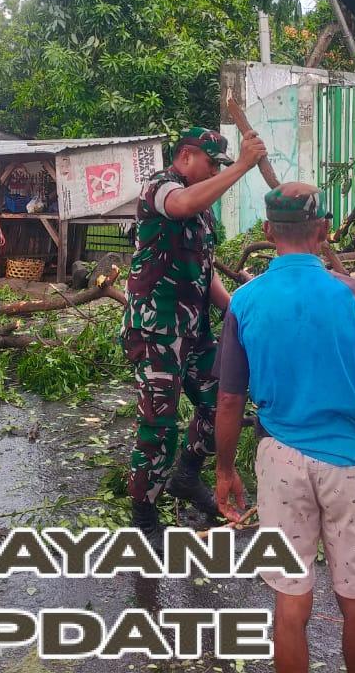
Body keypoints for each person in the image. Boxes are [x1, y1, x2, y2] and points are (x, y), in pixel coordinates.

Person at [214, 183, 355, 673]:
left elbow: (228, 398)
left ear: (267, 232)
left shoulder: (244, 301)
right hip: (353, 466)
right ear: (324, 231)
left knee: (291, 599)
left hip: (280, 461)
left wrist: (224, 469)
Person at [124, 126, 266, 549]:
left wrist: (238, 306)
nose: (213, 171)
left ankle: (186, 475)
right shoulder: (160, 190)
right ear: (186, 156)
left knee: (220, 406)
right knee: (159, 425)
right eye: (211, 162)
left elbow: (203, 273)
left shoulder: (202, 212)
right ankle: (144, 517)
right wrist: (242, 165)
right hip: (156, 331)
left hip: (195, 329)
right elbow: (182, 203)